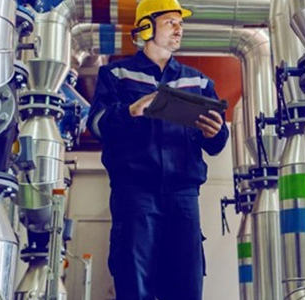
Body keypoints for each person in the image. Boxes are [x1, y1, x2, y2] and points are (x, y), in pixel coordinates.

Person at [86, 0, 229, 299]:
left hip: (183, 196)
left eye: (181, 24)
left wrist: (216, 133)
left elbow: (215, 143)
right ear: (147, 27)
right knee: (134, 282)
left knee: (187, 286)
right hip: (135, 193)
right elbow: (98, 126)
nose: (179, 29)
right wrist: (131, 111)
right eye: (171, 22)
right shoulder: (116, 75)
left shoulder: (198, 81)